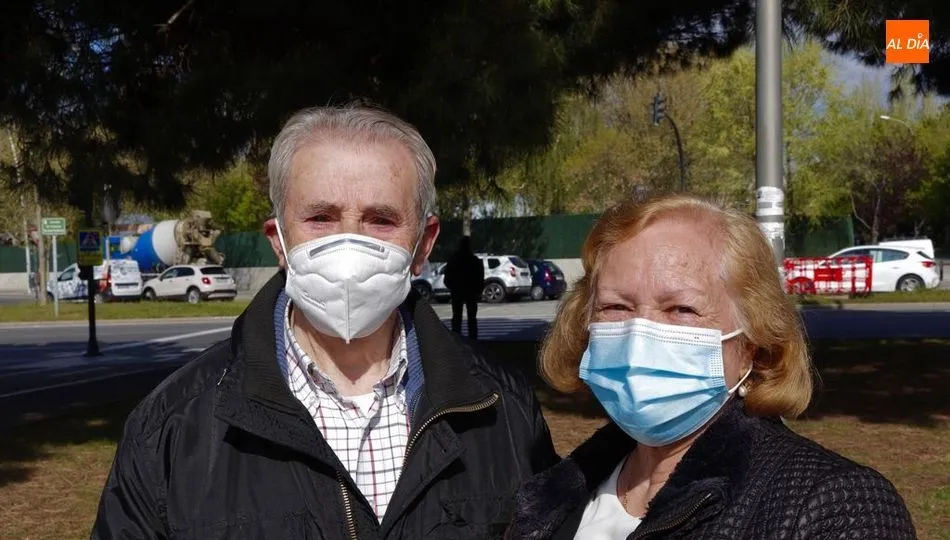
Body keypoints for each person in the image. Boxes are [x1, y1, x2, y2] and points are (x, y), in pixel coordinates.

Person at [91, 103, 558, 539]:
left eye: (381, 220)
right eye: (320, 217)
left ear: (424, 243)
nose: (349, 244)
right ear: (279, 241)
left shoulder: (505, 411)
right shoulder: (172, 426)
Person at [505, 194, 916, 539]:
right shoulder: (553, 494)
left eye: (681, 309)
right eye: (616, 306)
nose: (638, 336)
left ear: (753, 341)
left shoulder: (833, 508)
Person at [444, 235, 485, 340]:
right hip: (471, 291)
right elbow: (480, 276)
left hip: (457, 290)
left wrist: (451, 286)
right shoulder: (474, 260)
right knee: (472, 317)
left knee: (457, 316)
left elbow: (447, 275)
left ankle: (457, 339)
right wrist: (479, 290)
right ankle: (473, 339)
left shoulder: (453, 259)